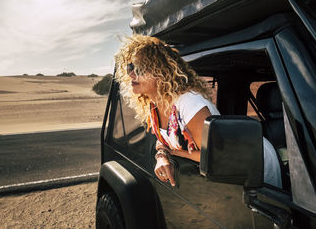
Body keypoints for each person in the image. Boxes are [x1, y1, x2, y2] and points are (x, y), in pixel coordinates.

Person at [114, 34, 282, 189]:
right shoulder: (154, 104)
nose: (131, 74)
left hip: (252, 161)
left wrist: (174, 152)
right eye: (130, 67)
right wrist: (162, 156)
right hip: (230, 172)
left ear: (161, 72)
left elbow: (214, 155)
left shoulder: (188, 102)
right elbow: (162, 140)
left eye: (139, 68)